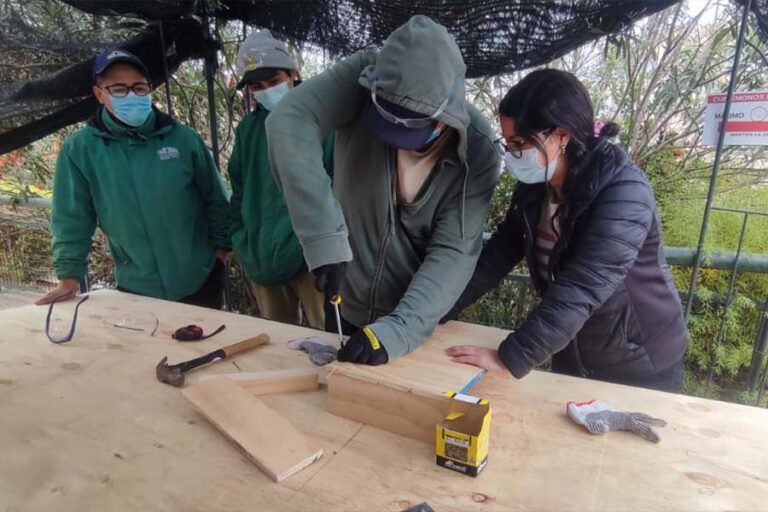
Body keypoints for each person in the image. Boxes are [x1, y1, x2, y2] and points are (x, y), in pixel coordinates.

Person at [266, 16, 499, 364]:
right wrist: (323, 238)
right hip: (346, 299)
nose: (395, 141)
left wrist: (398, 330)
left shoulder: (478, 154)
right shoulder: (361, 75)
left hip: (414, 323)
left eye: (408, 127)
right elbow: (288, 121)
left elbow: (452, 254)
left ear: (444, 115)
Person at [443, 69, 688, 392]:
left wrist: (511, 357)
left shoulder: (623, 191)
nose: (513, 154)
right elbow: (497, 257)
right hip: (574, 348)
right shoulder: (534, 188)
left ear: (562, 136)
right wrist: (438, 309)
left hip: (640, 361)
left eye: (520, 143)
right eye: (508, 144)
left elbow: (582, 286)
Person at [36, 49, 230, 309]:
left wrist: (221, 252)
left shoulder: (182, 138)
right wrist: (68, 277)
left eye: (139, 87)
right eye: (119, 89)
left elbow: (215, 198)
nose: (131, 95)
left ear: (150, 90)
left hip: (199, 280)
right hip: (136, 287)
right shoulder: (81, 150)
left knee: (210, 348)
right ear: (100, 94)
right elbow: (72, 218)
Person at [229, 30, 332, 328]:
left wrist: (329, 249)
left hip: (313, 258)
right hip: (263, 256)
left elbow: (339, 186)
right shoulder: (248, 130)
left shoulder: (322, 119)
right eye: (257, 86)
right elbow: (239, 188)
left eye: (274, 82)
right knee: (275, 344)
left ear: (292, 74)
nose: (266, 91)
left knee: (328, 340)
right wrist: (242, 241)